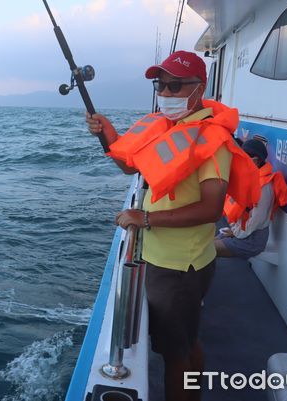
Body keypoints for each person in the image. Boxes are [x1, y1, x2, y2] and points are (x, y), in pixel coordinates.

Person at [85, 50, 260, 401]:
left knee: (174, 354)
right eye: (160, 85)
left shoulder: (214, 142)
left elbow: (212, 209)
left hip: (181, 266)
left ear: (200, 88)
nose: (165, 93)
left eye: (175, 85)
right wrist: (107, 134)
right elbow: (132, 168)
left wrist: (145, 218)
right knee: (186, 342)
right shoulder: (168, 130)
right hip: (166, 258)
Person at [216, 138, 287, 258]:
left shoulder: (263, 187)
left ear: (255, 161)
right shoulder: (250, 178)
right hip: (241, 233)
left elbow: (257, 220)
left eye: (242, 158)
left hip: (251, 241)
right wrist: (234, 230)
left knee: (205, 251)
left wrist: (235, 232)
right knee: (204, 246)